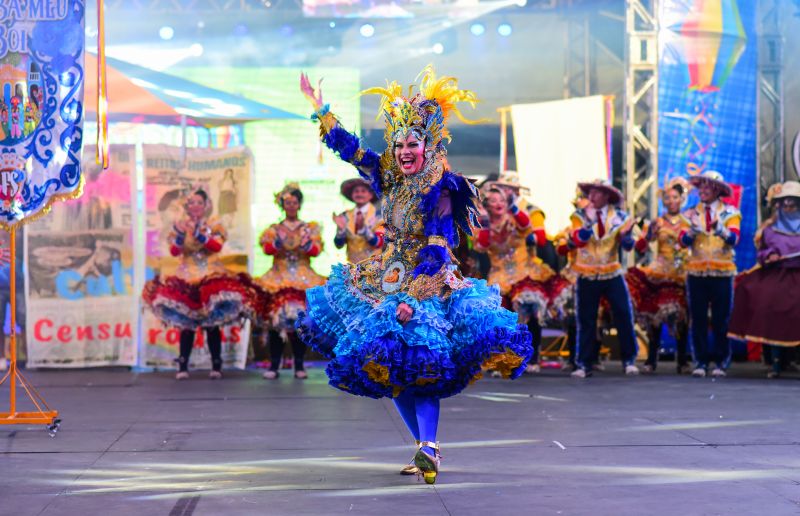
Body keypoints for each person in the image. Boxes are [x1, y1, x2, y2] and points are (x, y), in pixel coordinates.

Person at [296, 67, 533, 484]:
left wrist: (414, 297)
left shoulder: (440, 188)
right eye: (400, 144)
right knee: (395, 375)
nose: (405, 151)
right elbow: (352, 150)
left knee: (420, 371)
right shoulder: (389, 174)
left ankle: (429, 446)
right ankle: (425, 449)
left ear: (428, 145)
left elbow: (439, 248)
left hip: (428, 283)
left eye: (413, 144)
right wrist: (321, 110)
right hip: (383, 279)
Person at [143, 188, 260, 379]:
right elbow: (174, 251)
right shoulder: (180, 224)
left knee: (211, 321)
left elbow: (217, 246)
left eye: (199, 202)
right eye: (191, 203)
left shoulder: (214, 224)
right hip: (186, 275)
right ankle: (183, 365)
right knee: (187, 322)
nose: (194, 206)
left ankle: (216, 364)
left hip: (210, 274)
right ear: (186, 206)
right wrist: (181, 235)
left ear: (206, 205)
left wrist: (199, 233)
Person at [474, 184, 563, 374]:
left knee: (531, 308)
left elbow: (526, 227)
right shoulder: (484, 223)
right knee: (498, 317)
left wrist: (514, 208)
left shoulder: (516, 218)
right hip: (500, 275)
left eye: (501, 200)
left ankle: (533, 357)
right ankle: (501, 359)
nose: (497, 204)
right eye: (493, 201)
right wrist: (486, 223)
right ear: (487, 205)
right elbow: (481, 246)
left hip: (524, 271)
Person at [568, 179, 639, 378]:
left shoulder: (621, 217)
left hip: (611, 271)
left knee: (623, 314)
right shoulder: (579, 216)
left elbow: (627, 247)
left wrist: (626, 237)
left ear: (607, 196)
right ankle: (584, 363)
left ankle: (629, 360)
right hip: (587, 272)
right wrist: (588, 224)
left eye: (597, 193)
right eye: (590, 192)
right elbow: (577, 241)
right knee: (586, 318)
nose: (592, 196)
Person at [728, 180, 800, 378]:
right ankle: (775, 362)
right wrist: (769, 256)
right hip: (777, 274)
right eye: (784, 203)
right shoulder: (769, 230)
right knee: (768, 301)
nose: (788, 207)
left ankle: (792, 359)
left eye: (792, 203)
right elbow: (762, 253)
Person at [257, 183, 326, 380]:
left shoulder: (309, 228)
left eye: (295, 202)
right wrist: (277, 243)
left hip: (303, 277)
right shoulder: (274, 228)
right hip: (279, 278)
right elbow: (267, 249)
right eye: (287, 202)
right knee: (275, 322)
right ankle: (274, 365)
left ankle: (299, 364)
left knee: (300, 322)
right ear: (282, 205)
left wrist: (307, 244)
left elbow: (316, 251)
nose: (291, 205)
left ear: (299, 204)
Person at [679, 171, 741, 378]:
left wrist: (721, 229)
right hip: (697, 271)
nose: (703, 191)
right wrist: (690, 233)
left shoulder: (730, 212)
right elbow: (681, 242)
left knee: (721, 318)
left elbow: (735, 239)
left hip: (722, 272)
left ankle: (721, 361)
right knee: (697, 318)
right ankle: (700, 361)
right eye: (701, 187)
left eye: (708, 187)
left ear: (718, 191)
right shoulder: (689, 213)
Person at [627, 178, 692, 373]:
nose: (671, 201)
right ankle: (651, 359)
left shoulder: (689, 222)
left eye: (675, 197)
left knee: (682, 316)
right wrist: (648, 235)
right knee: (655, 315)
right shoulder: (658, 222)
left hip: (682, 271)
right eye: (668, 197)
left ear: (682, 199)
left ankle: (682, 360)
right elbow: (639, 248)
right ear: (663, 200)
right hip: (660, 270)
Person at [333, 178, 384, 264]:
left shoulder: (379, 215)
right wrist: (341, 231)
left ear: (370, 195)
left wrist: (364, 230)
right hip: (352, 268)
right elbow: (338, 245)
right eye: (356, 191)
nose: (359, 194)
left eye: (363, 191)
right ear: (351, 195)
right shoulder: (345, 216)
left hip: (375, 268)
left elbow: (379, 243)